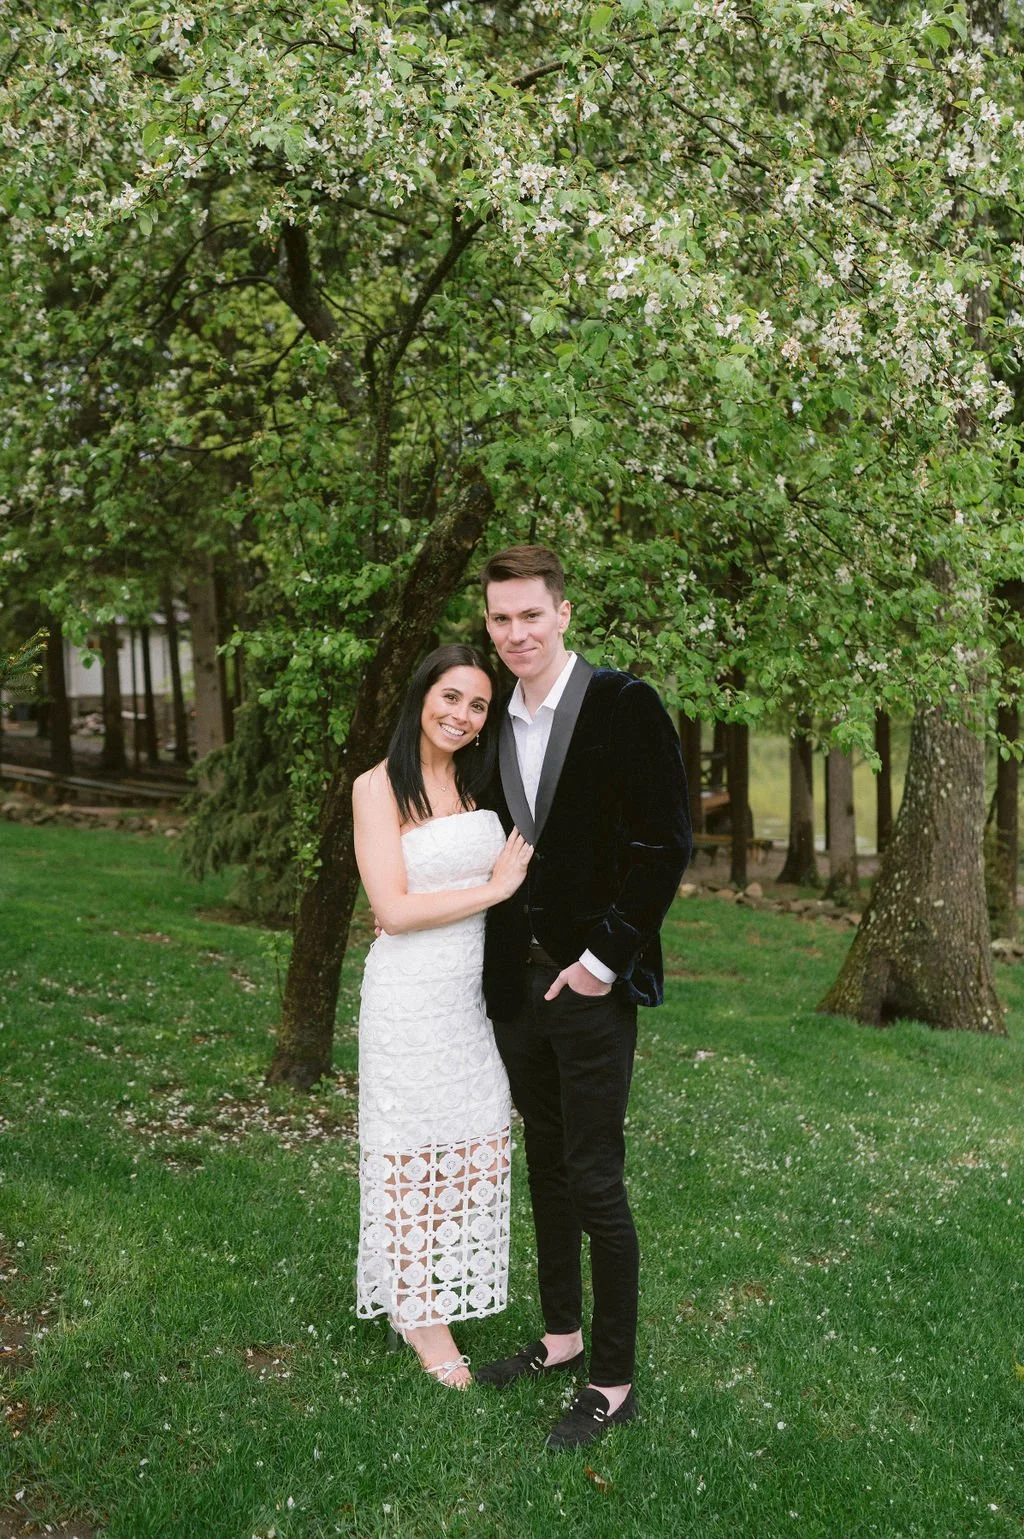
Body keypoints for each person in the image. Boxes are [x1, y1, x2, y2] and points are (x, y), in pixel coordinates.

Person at [475, 546, 691, 1450]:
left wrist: (602, 960)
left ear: (564, 613)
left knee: (597, 1178)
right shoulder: (489, 723)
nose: (516, 633)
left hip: (592, 984)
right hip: (516, 987)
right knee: (548, 1163)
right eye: (500, 619)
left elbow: (664, 845)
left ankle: (612, 1380)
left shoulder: (624, 704)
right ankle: (560, 1337)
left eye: (531, 615)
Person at [352, 644, 533, 1388]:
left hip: (470, 998)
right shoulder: (378, 786)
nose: (461, 715)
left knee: (479, 1147)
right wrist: (494, 889)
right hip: (408, 998)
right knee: (409, 1154)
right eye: (450, 696)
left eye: (478, 705)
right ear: (422, 694)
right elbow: (391, 909)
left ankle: (417, 1282)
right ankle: (421, 1313)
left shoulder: (479, 780)